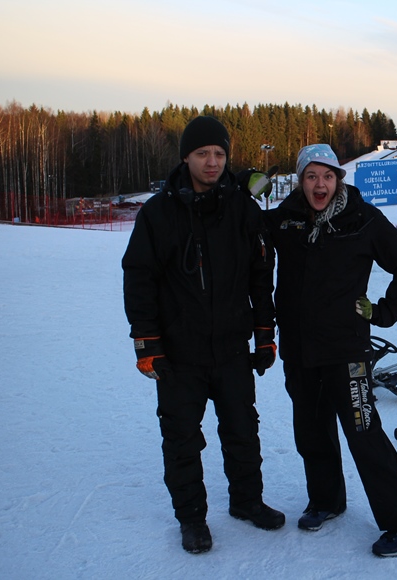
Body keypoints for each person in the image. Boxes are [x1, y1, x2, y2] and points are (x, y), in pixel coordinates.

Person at [122, 116, 283, 555]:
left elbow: (258, 277)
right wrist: (147, 344)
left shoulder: (243, 209)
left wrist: (265, 335)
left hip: (232, 349)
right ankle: (192, 519)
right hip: (180, 353)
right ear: (186, 157)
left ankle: (247, 502)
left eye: (219, 154)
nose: (212, 162)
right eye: (202, 154)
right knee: (181, 440)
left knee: (242, 431)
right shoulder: (157, 214)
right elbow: (139, 280)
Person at [265, 144, 397, 558]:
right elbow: (245, 225)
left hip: (346, 351)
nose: (321, 185)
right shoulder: (286, 219)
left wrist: (384, 312)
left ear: (339, 180)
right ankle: (326, 501)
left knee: (365, 436)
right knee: (311, 433)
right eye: (312, 176)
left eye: (328, 176)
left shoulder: (362, 219)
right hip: (299, 351)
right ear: (300, 180)